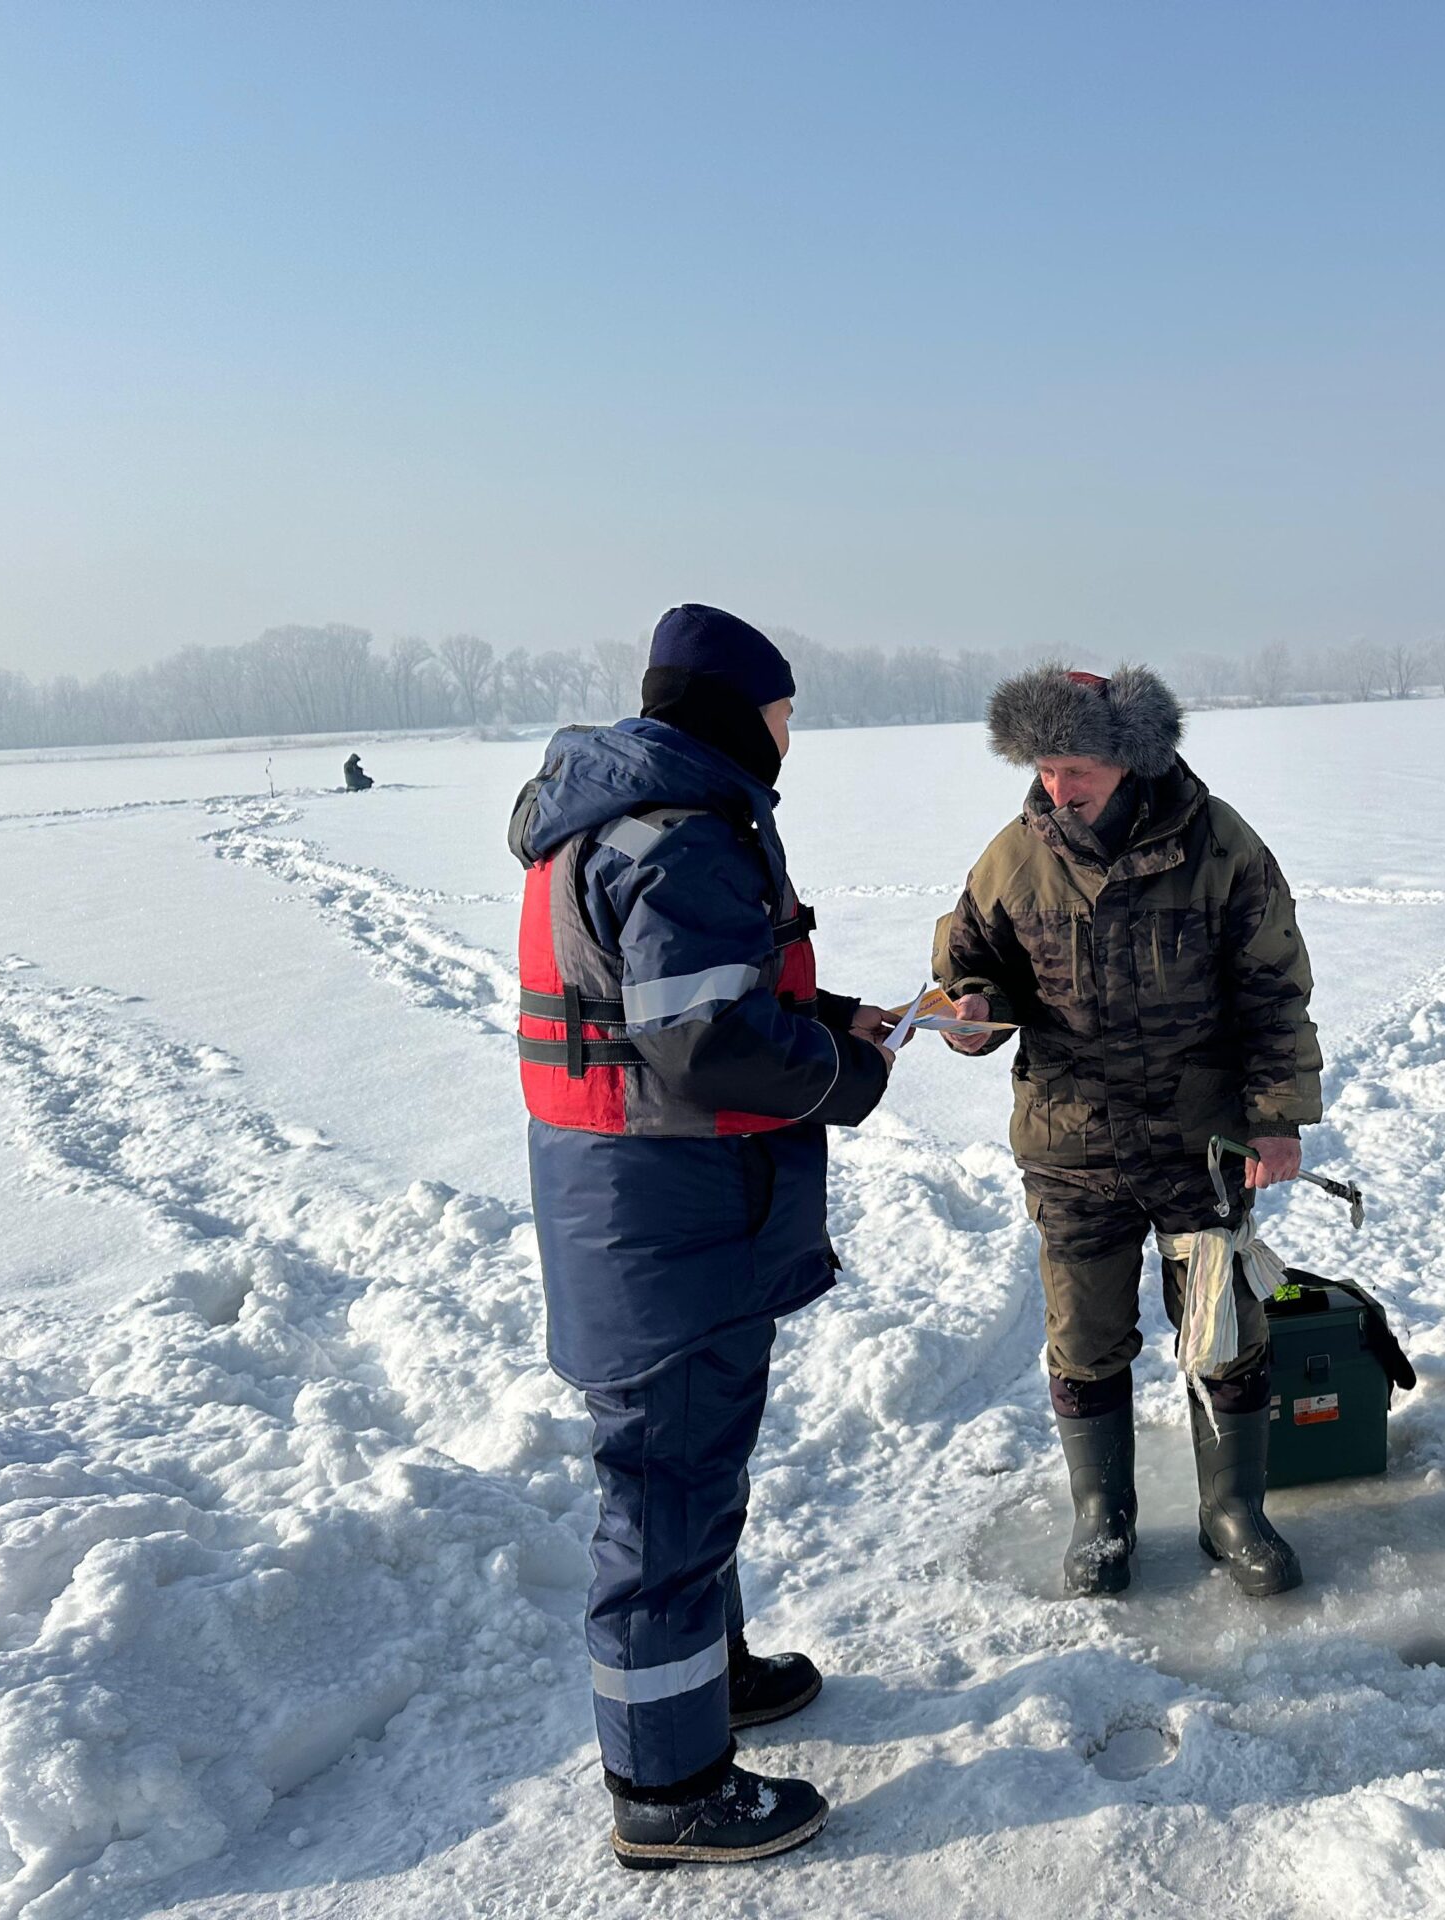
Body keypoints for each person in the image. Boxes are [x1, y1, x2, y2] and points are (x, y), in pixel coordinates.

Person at [508, 604, 899, 1870]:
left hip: (659, 1210)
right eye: (783, 711)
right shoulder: (683, 838)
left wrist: (835, 1015)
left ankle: (707, 1680)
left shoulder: (629, 818)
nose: (789, 735)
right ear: (736, 710)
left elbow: (684, 1002)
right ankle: (668, 1787)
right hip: (664, 1222)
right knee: (665, 1494)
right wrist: (846, 1072)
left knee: (693, 1471)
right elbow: (707, 1045)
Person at [933, 664, 1322, 1598]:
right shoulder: (1012, 858)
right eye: (1045, 768)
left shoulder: (1219, 842)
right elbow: (969, 967)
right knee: (1084, 1336)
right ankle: (1102, 1517)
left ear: (1130, 759)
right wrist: (971, 1011)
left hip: (1203, 1143)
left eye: (1078, 767)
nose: (1059, 787)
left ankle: (1233, 1512)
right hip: (1072, 1145)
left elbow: (1274, 987)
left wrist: (1276, 1118)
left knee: (1222, 1329)